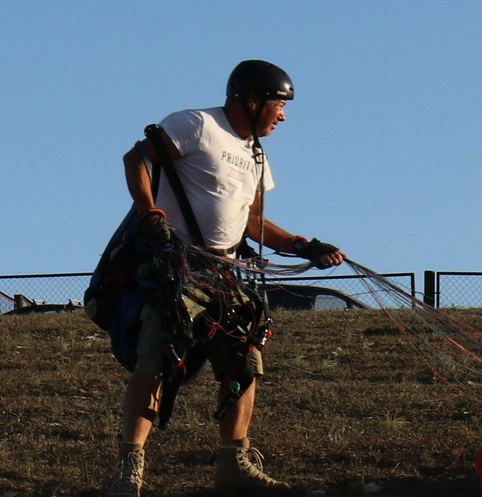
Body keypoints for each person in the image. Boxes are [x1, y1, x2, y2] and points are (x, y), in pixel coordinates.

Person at [103, 59, 344, 497]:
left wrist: (302, 245)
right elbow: (136, 159)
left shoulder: (256, 153)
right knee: (158, 357)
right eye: (279, 105)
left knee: (244, 363)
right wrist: (150, 213)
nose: (284, 116)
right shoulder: (196, 125)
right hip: (175, 269)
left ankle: (234, 465)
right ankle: (129, 468)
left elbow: (253, 221)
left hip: (226, 276)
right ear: (253, 102)